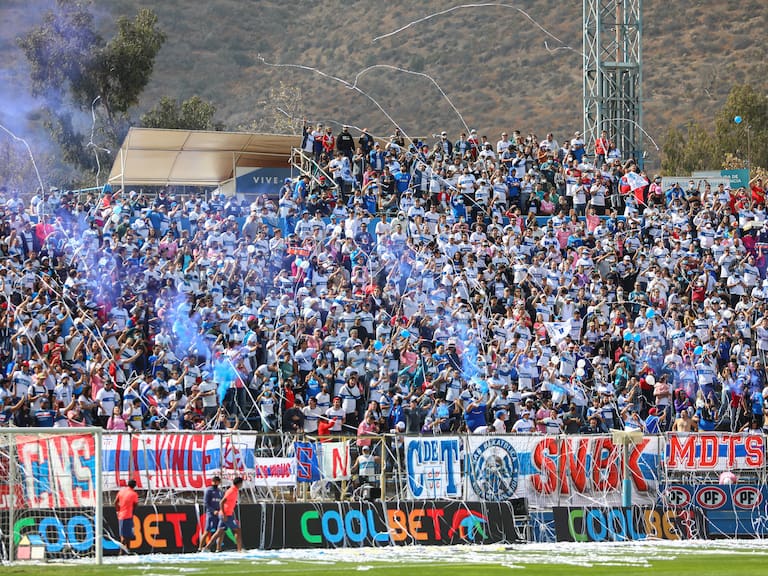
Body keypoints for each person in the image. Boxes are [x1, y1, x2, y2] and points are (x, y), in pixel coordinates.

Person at [202, 476, 243, 553]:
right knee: (237, 530)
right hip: (226, 514)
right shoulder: (231, 491)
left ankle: (206, 548)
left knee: (219, 532)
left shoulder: (235, 490)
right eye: (241, 484)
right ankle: (239, 550)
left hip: (227, 513)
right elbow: (221, 502)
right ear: (239, 484)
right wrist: (224, 514)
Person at [198, 476, 223, 552]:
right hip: (211, 514)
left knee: (220, 531)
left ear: (219, 482)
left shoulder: (220, 492)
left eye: (216, 482)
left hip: (219, 514)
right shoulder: (209, 490)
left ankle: (218, 548)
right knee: (207, 531)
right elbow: (206, 503)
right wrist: (213, 511)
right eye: (214, 481)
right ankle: (200, 548)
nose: (215, 483)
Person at [114, 479, 139, 554]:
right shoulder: (133, 494)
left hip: (121, 515)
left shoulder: (121, 491)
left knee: (126, 535)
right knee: (126, 536)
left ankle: (127, 551)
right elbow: (135, 505)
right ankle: (121, 552)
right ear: (134, 486)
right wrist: (132, 513)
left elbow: (115, 502)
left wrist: (118, 511)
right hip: (128, 516)